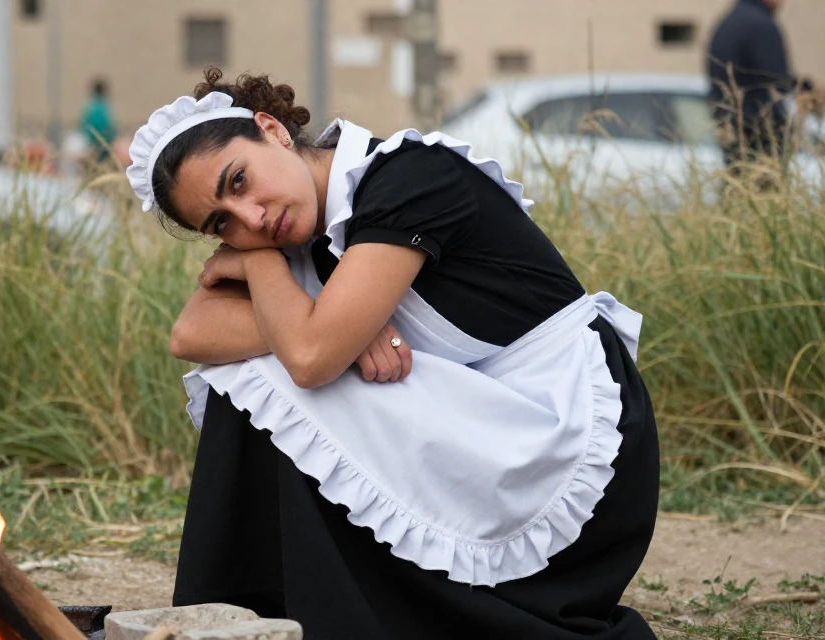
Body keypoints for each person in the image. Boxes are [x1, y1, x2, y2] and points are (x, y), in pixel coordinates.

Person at [126, 67, 659, 639]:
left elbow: (308, 356)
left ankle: (261, 606)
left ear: (272, 130)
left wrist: (272, 281)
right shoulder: (291, 236)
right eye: (222, 224)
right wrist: (325, 319)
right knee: (256, 370)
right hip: (476, 426)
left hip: (566, 437)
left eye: (239, 181)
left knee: (277, 374)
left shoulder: (408, 176)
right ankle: (269, 612)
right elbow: (190, 333)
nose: (251, 218)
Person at [706, 0, 821, 181]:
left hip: (732, 129)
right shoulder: (761, 26)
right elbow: (777, 79)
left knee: (739, 191)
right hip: (760, 131)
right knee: (767, 193)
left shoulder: (728, 22)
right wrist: (809, 90)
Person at [80, 77, 117, 165]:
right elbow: (111, 126)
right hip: (105, 144)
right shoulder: (105, 107)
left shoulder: (89, 107)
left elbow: (83, 126)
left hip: (92, 144)